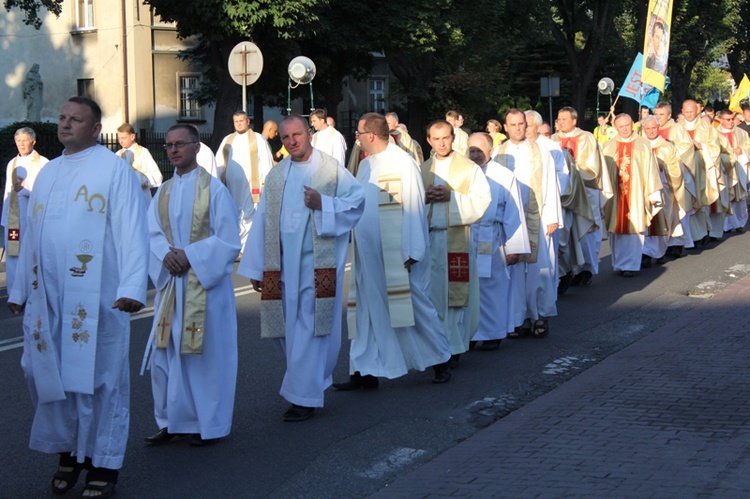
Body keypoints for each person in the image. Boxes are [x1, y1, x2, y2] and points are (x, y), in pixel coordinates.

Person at [7, 96, 148, 498]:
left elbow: (131, 229)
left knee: (99, 379)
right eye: (63, 118)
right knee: (45, 374)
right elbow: (32, 236)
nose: (65, 124)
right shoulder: (48, 173)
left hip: (99, 297)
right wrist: (19, 289)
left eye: (76, 119)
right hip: (47, 297)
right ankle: (68, 450)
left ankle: (102, 461)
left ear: (95, 128)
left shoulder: (114, 171)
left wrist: (132, 287)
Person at [237, 115, 364, 422]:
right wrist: (256, 268)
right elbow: (263, 219)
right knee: (289, 333)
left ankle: (303, 398)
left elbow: (357, 201)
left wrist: (324, 203)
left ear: (309, 134)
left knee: (309, 329)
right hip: (281, 267)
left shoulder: (330, 169)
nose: (292, 141)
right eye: (285, 138)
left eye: (297, 135)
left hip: (315, 267)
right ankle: (311, 381)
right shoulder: (278, 174)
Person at [336, 113, 452, 389]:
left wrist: (411, 250)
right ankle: (363, 372)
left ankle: (440, 357)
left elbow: (413, 205)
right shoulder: (366, 166)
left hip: (395, 254)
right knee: (365, 308)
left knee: (412, 305)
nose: (357, 138)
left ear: (371, 136)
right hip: (368, 252)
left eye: (359, 134)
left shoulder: (403, 163)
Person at [142, 125, 241, 447]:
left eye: (179, 144)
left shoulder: (214, 190)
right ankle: (171, 420)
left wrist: (190, 255)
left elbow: (228, 240)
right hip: (172, 287)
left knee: (204, 357)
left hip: (204, 290)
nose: (173, 150)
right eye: (169, 145)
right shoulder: (163, 191)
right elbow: (151, 233)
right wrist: (165, 256)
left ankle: (207, 423)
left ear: (196, 147)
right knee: (166, 355)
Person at [421, 120, 491, 366]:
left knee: (455, 298)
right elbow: (409, 203)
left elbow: (482, 200)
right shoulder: (423, 168)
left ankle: (454, 348)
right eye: (436, 139)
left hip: (457, 240)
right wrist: (424, 199)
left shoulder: (468, 168)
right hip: (430, 240)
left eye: (446, 138)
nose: (441, 143)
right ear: (429, 140)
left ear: (453, 138)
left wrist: (453, 197)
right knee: (432, 297)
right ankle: (436, 347)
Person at [495, 109, 562, 339]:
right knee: (514, 274)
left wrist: (553, 216)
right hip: (510, 220)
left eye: (521, 124)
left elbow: (551, 184)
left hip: (537, 216)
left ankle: (540, 315)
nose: (517, 128)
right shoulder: (498, 152)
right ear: (505, 126)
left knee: (538, 270)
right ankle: (519, 318)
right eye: (512, 124)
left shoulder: (542, 151)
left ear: (527, 125)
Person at [468, 132, 529, 349]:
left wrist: (514, 248)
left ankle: (493, 333)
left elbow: (514, 213)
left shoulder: (503, 175)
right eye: (471, 150)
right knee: (468, 288)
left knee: (491, 287)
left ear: (491, 151)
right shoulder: (463, 173)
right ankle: (470, 333)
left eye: (479, 151)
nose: (474, 155)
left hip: (491, 239)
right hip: (466, 238)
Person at [552, 106, 612, 287]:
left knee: (586, 229)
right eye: (559, 119)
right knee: (565, 232)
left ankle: (586, 268)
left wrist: (571, 174)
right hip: (562, 193)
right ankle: (568, 269)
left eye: (564, 119)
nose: (560, 122)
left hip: (585, 190)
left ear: (574, 120)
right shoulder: (553, 140)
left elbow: (591, 167)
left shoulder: (586, 137)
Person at [601, 114, 663, 277]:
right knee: (616, 228)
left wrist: (653, 193)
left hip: (636, 194)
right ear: (615, 128)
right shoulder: (608, 146)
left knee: (634, 227)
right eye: (621, 126)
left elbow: (651, 170)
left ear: (633, 125)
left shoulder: (643, 145)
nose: (625, 129)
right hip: (615, 196)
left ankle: (632, 265)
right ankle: (620, 263)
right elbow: (603, 174)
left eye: (627, 125)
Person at [215, 110, 274, 254]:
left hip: (251, 184)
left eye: (241, 121)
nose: (239, 124)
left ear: (248, 121)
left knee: (249, 214)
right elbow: (220, 163)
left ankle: (246, 248)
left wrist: (265, 183)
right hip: (231, 186)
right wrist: (216, 181)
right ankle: (236, 247)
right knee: (233, 214)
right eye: (236, 121)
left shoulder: (258, 139)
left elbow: (266, 162)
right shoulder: (228, 140)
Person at [1, 127, 48, 292]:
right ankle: (15, 293)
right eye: (18, 141)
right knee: (14, 256)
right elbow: (8, 191)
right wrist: (5, 219)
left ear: (33, 142)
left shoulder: (43, 163)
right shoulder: (11, 164)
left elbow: (47, 191)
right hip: (14, 218)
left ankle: (35, 290)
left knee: (35, 255)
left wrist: (26, 190)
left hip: (36, 216)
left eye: (24, 140)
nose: (21, 144)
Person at [652, 102, 701, 255]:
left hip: (675, 174)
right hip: (656, 176)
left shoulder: (677, 129)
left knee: (678, 209)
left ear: (669, 115)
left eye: (662, 115)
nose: (659, 118)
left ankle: (677, 242)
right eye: (657, 114)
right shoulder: (650, 128)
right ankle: (661, 242)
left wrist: (667, 155)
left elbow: (686, 148)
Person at [641, 116, 685, 265]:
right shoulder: (640, 146)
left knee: (662, 219)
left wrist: (663, 168)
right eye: (648, 128)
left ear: (658, 128)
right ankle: (645, 252)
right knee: (646, 220)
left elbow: (677, 169)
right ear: (643, 129)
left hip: (664, 189)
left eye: (654, 128)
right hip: (644, 190)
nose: (651, 131)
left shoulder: (667, 147)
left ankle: (659, 251)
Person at [682, 99, 723, 242]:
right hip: (684, 170)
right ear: (682, 112)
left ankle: (704, 231)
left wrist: (702, 146)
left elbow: (715, 147)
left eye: (691, 111)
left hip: (701, 169)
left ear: (697, 111)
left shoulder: (706, 127)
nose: (688, 115)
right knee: (687, 202)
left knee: (701, 200)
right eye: (686, 112)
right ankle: (691, 236)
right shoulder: (677, 128)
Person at [715, 109, 750, 233]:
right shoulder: (714, 133)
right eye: (728, 119)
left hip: (738, 166)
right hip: (723, 169)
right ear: (720, 120)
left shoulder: (741, 132)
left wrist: (743, 151)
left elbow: (748, 145)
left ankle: (739, 222)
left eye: (732, 119)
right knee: (725, 195)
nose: (731, 122)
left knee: (738, 196)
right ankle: (725, 225)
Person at [116, 123, 163, 205]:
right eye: (119, 138)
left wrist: (140, 180)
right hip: (123, 201)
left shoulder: (143, 152)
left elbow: (157, 176)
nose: (121, 141)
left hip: (141, 199)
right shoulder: (117, 155)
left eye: (123, 138)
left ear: (132, 137)